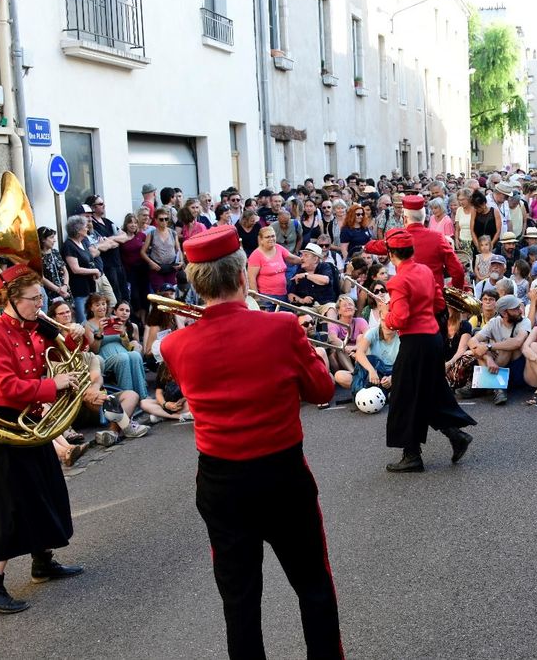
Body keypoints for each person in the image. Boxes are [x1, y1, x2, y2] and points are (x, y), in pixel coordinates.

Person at [160, 226, 343, 658]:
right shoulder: (280, 328)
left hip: (221, 482)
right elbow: (322, 392)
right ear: (243, 275)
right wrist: (308, 350)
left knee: (239, 602)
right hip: (282, 476)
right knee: (314, 587)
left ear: (195, 283)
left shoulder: (175, 345)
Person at [0, 264, 89, 614]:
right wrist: (54, 385)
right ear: (11, 299)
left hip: (34, 421)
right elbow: (6, 386)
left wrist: (77, 335)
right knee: (11, 504)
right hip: (6, 424)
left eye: (41, 296)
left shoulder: (35, 324)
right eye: (33, 298)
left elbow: (69, 350)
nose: (40, 303)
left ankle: (42, 562)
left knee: (47, 490)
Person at [378, 230, 477, 473]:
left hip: (415, 343)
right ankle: (456, 435)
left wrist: (386, 317)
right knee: (429, 393)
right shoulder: (423, 269)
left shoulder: (397, 281)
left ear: (391, 255)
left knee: (404, 397)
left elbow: (399, 318)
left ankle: (412, 455)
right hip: (432, 337)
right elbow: (439, 304)